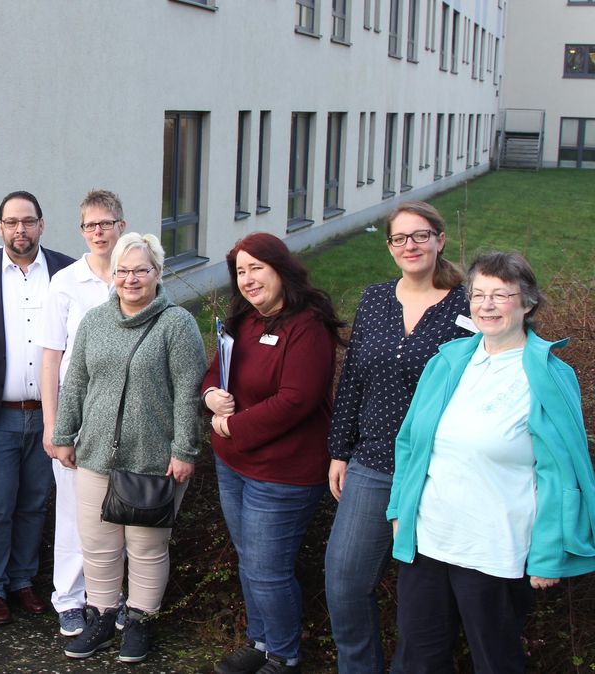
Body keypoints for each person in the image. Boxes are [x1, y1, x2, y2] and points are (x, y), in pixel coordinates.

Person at [388, 251, 595, 673]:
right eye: (478, 294)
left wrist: (548, 551)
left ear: (527, 303)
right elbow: (410, 443)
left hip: (495, 549)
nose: (486, 304)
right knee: (417, 660)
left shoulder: (550, 375)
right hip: (428, 541)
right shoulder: (447, 361)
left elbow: (562, 472)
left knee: (495, 661)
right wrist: (398, 510)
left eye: (501, 295)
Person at [324, 201, 472, 674]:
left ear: (439, 239)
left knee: (424, 599)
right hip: (372, 462)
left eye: (420, 235)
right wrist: (339, 451)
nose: (410, 245)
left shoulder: (469, 304)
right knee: (345, 581)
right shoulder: (375, 299)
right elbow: (353, 379)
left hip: (438, 470)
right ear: (389, 247)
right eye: (399, 238)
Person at [51, 232, 204, 663]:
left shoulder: (176, 323)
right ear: (112, 274)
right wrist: (64, 435)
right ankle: (101, 619)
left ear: (157, 272)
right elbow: (76, 382)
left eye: (141, 270)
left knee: (146, 548)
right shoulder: (96, 321)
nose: (131, 278)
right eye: (123, 270)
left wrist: (183, 450)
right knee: (97, 547)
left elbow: (188, 392)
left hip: (153, 459)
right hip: (95, 454)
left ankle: (140, 622)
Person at [202, 232, 344, 674]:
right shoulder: (245, 320)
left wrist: (232, 425)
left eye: (256, 268)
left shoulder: (309, 326)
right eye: (240, 271)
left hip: (284, 471)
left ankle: (284, 656)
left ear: (280, 268)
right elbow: (214, 370)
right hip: (235, 463)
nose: (247, 279)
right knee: (251, 561)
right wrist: (209, 397)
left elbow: (296, 399)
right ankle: (261, 643)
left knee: (268, 568)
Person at [0, 190, 75, 624]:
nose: (19, 230)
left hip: (49, 413)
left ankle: (22, 581)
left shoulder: (65, 271)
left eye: (28, 221)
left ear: (41, 224)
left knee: (35, 503)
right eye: (11, 222)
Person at [38, 189, 126, 637]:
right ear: (81, 231)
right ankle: (70, 599)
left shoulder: (136, 277)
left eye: (106, 223)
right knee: (75, 515)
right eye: (90, 225)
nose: (98, 232)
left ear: (121, 227)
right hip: (78, 419)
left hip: (127, 420)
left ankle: (109, 600)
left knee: (120, 511)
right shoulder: (66, 282)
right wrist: (53, 426)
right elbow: (51, 358)